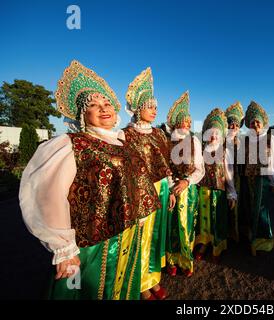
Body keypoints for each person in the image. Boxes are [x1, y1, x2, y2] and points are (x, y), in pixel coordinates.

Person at [19, 60, 160, 299]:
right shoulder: (70, 144)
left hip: (126, 234)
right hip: (90, 243)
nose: (104, 108)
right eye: (94, 105)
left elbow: (138, 183)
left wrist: (141, 213)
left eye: (106, 103)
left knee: (122, 286)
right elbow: (47, 196)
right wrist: (63, 248)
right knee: (84, 290)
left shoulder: (123, 144)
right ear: (83, 115)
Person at [123, 67, 176, 300]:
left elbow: (165, 164)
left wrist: (172, 188)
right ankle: (140, 283)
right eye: (150, 107)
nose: (154, 110)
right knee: (140, 237)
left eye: (156, 107)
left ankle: (153, 278)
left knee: (156, 234)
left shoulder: (159, 134)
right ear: (137, 109)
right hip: (138, 193)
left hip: (161, 189)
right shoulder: (125, 135)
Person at [163, 91, 204, 277]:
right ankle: (171, 260)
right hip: (171, 189)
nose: (186, 125)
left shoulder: (194, 140)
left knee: (186, 226)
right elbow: (164, 168)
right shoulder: (167, 141)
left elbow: (200, 169)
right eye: (183, 122)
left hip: (188, 190)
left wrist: (187, 182)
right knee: (171, 226)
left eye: (189, 122)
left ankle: (186, 260)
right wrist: (172, 186)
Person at [195, 108, 236, 262]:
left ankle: (217, 246)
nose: (213, 135)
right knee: (204, 219)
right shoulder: (201, 151)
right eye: (211, 132)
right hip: (203, 190)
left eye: (217, 133)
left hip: (219, 191)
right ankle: (204, 243)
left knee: (217, 218)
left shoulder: (225, 151)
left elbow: (229, 174)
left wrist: (232, 193)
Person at [240, 101, 274, 256]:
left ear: (263, 123)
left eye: (258, 121)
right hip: (248, 179)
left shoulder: (270, 139)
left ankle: (264, 239)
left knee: (261, 208)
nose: (255, 124)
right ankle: (253, 235)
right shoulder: (247, 140)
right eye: (252, 122)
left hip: (263, 180)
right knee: (250, 206)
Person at [224, 101, 244, 243]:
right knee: (230, 206)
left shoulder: (240, 141)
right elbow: (227, 166)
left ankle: (238, 233)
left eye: (237, 125)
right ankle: (230, 235)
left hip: (240, 177)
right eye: (231, 124)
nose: (234, 127)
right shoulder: (224, 143)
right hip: (228, 178)